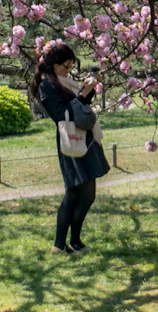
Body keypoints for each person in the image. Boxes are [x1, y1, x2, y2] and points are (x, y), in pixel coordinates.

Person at [37, 42, 110, 254]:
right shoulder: (47, 85)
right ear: (53, 64)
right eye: (65, 66)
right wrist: (82, 92)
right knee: (75, 193)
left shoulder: (62, 81)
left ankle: (74, 242)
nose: (68, 70)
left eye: (70, 66)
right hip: (71, 141)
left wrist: (90, 89)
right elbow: (63, 115)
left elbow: (79, 106)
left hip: (84, 139)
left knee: (87, 195)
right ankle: (60, 245)